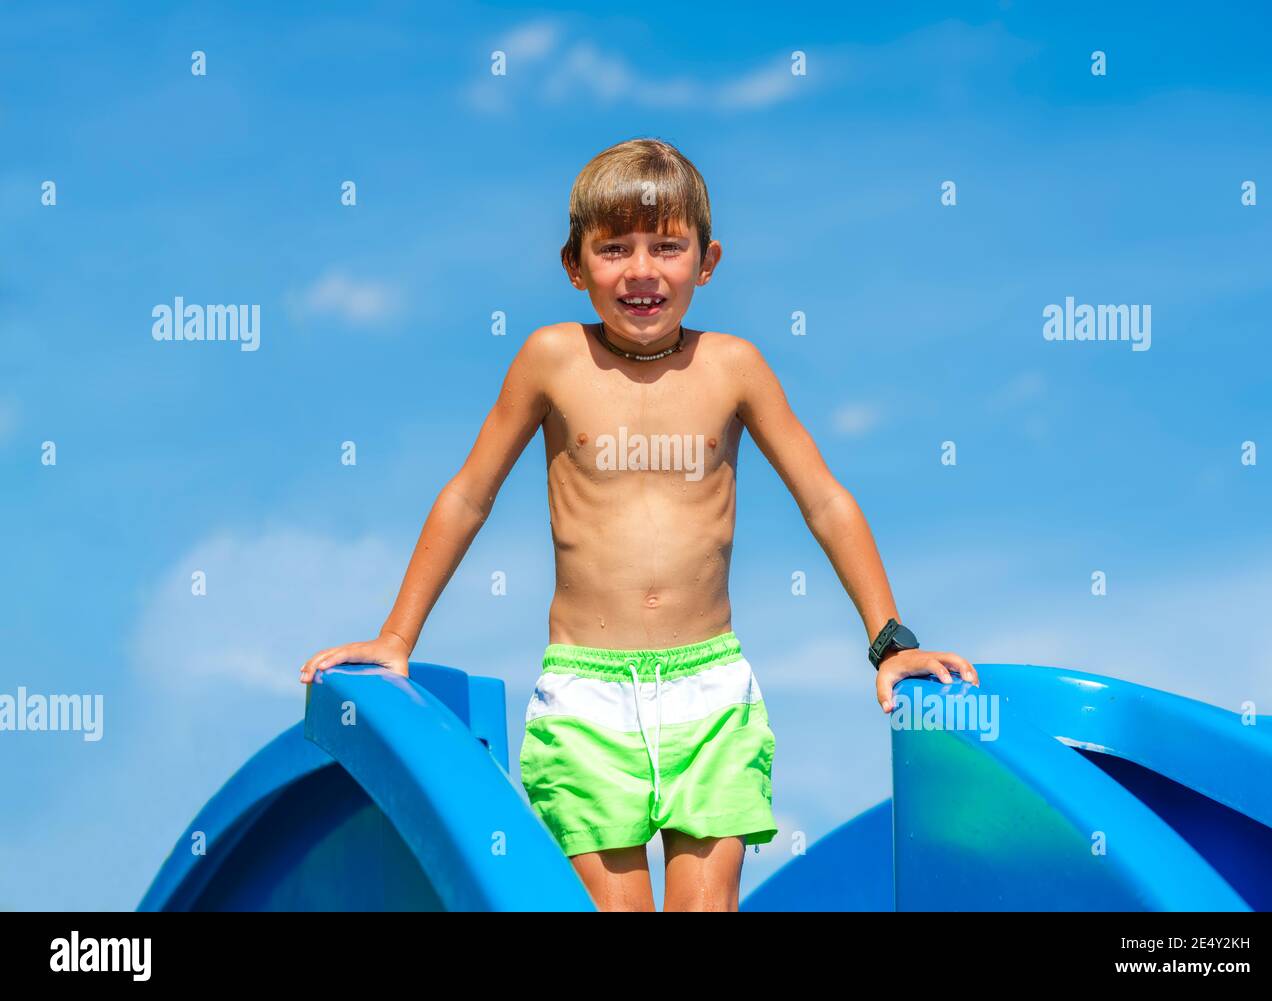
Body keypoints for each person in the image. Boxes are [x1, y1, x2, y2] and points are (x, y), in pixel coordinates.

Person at [299, 137, 978, 911]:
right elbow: (468, 496)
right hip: (586, 696)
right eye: (614, 247)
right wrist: (397, 638)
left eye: (667, 245)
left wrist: (891, 643)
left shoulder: (735, 367)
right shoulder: (552, 359)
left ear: (708, 259)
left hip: (711, 691)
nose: (642, 270)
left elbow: (824, 500)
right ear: (574, 265)